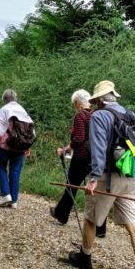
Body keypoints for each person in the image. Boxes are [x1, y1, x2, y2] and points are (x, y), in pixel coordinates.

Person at [67, 80, 135, 269]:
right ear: (114, 96)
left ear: (99, 100)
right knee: (133, 224)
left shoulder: (99, 116)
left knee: (91, 218)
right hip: (130, 175)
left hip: (107, 177)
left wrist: (94, 178)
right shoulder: (129, 114)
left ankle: (85, 257)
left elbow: (98, 147)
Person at [50, 89, 108, 237]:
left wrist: (65, 150)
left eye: (74, 104)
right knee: (97, 190)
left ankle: (61, 215)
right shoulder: (96, 114)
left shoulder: (80, 115)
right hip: (97, 157)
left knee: (71, 186)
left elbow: (79, 138)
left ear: (77, 102)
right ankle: (100, 229)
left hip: (81, 157)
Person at [0, 89, 34, 209]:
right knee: (15, 171)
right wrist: (28, 146)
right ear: (16, 98)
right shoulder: (22, 110)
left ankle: (6, 195)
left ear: (4, 99)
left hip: (6, 145)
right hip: (20, 146)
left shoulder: (4, 110)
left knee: (0, 166)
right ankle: (14, 201)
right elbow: (30, 129)